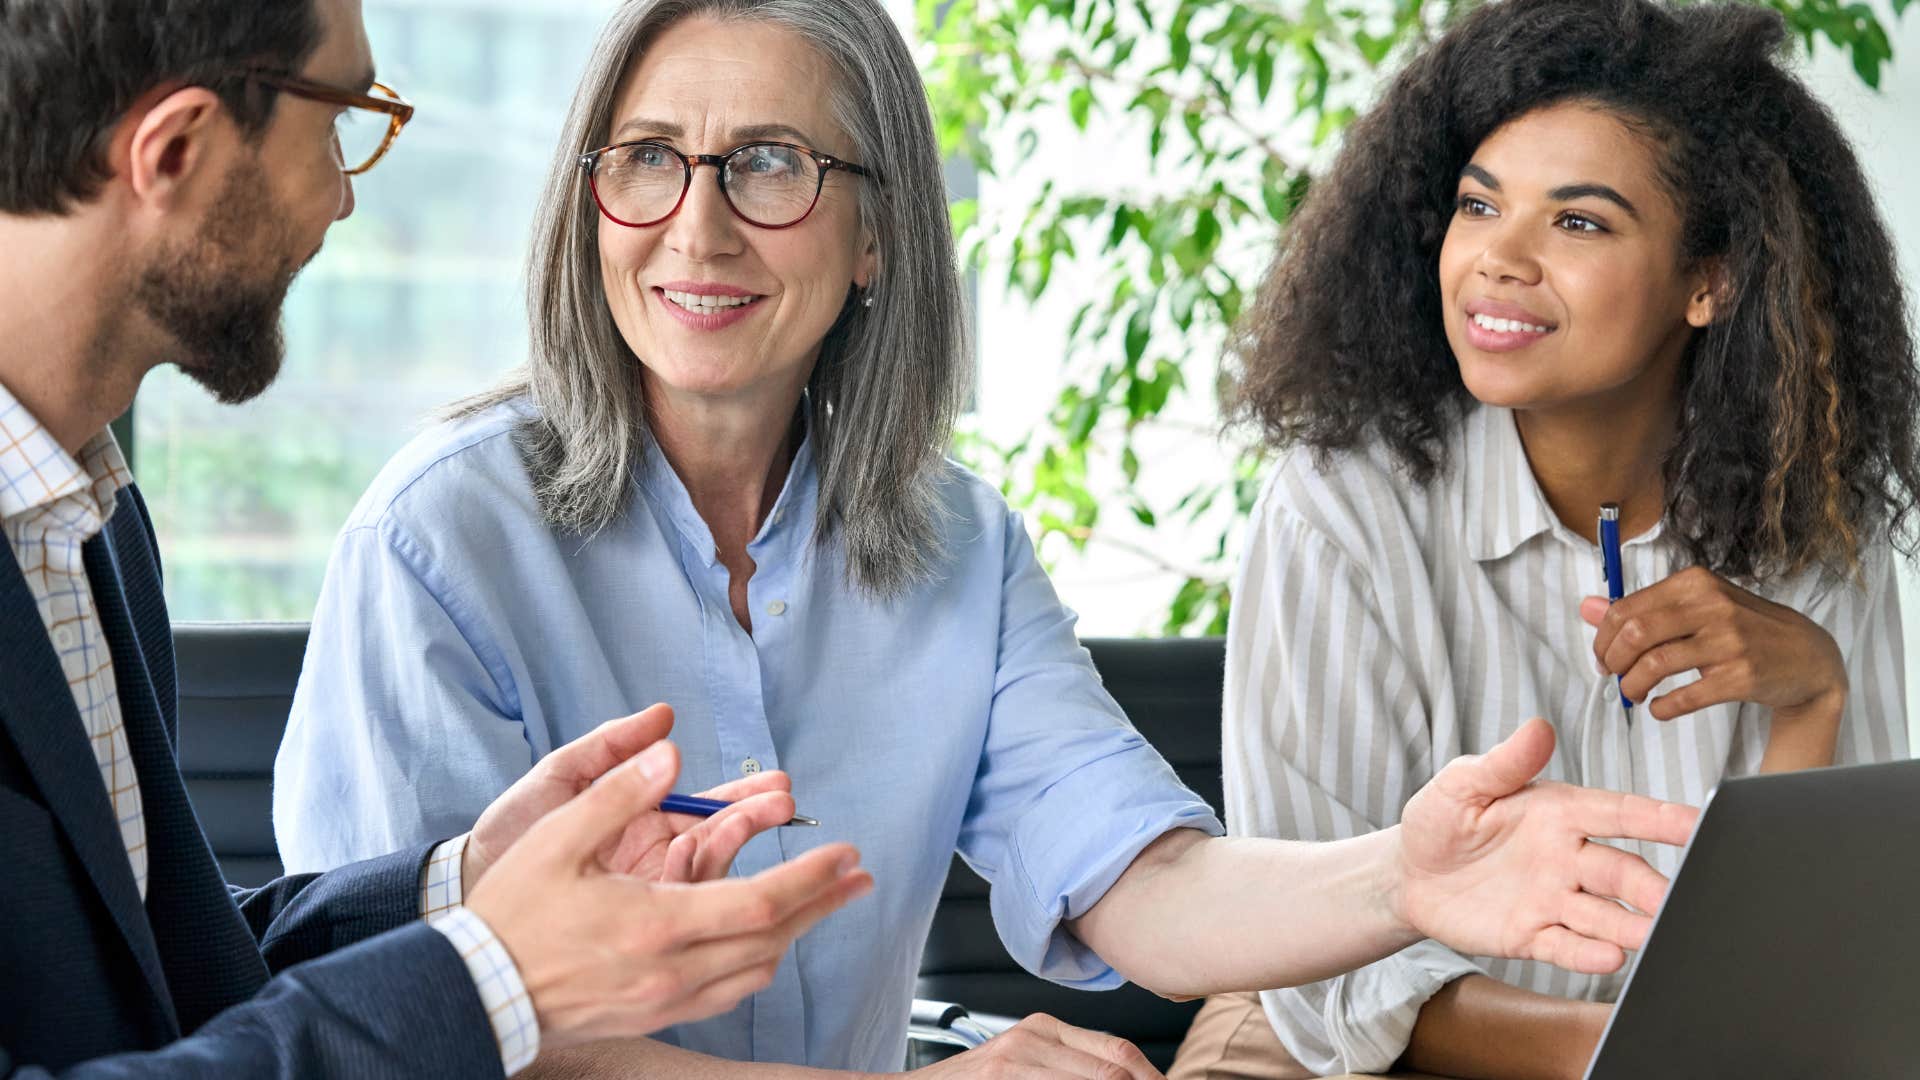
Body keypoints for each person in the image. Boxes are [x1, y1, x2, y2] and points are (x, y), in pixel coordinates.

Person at [272, 0, 1702, 1076]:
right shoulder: (440, 539)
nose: (696, 228)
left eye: (769, 165)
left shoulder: (957, 542)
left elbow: (1144, 886)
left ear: (879, 234)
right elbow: (428, 1029)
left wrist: (1407, 877)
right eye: (649, 160)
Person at [0, 1, 877, 1076]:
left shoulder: (82, 517)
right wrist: (495, 978)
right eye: (335, 125)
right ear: (176, 150)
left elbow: (169, 976)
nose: (345, 194)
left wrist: (463, 885)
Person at [1168, 1, 1918, 1078]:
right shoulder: (1343, 504)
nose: (1498, 259)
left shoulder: (1810, 507)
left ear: (1710, 280)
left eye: (1578, 222)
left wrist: (1812, 699)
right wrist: (1626, 1053)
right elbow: (1324, 981)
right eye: (1479, 205)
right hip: (1338, 1044)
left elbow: (1817, 948)